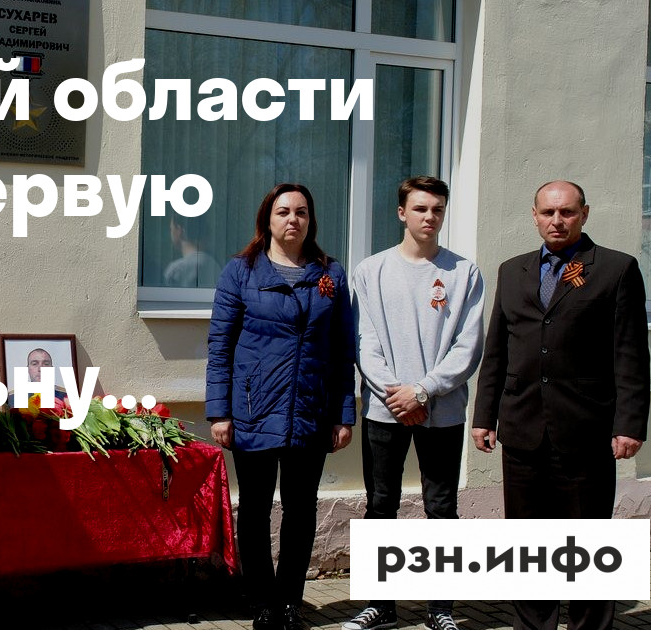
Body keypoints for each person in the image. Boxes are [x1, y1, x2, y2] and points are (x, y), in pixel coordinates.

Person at [472, 180, 649, 630]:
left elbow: (630, 353)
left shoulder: (615, 269)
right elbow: (498, 349)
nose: (557, 221)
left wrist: (630, 424)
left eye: (567, 212)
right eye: (548, 212)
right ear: (534, 216)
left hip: (585, 430)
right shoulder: (513, 270)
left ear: (584, 215)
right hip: (522, 428)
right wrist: (484, 415)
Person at [206, 182, 355, 630]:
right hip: (253, 408)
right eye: (284, 212)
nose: (293, 219)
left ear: (311, 220)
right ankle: (262, 603)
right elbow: (220, 346)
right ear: (267, 219)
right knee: (254, 510)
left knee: (301, 510)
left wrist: (342, 414)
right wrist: (220, 411)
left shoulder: (331, 274)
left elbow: (342, 349)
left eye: (301, 212)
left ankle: (290, 601)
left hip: (310, 410)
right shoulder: (241, 271)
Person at [345, 177, 484, 630]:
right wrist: (398, 393)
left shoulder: (464, 273)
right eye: (421, 208)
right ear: (402, 212)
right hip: (384, 410)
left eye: (438, 209)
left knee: (441, 508)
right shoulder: (371, 271)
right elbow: (364, 342)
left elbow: (468, 346)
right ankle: (379, 606)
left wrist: (422, 390)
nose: (430, 217)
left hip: (442, 412)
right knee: (380, 506)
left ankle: (441, 609)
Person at [164, 216, 222, 287]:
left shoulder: (177, 270)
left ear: (179, 230)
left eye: (171, 229)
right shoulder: (215, 266)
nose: (171, 234)